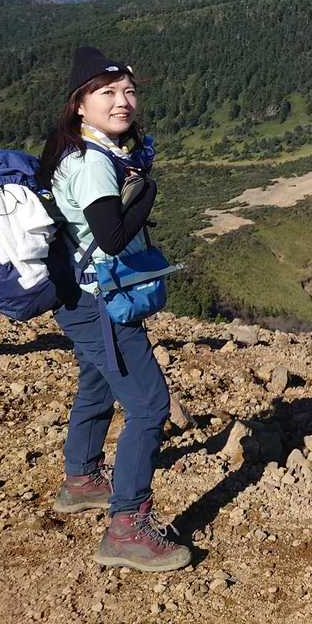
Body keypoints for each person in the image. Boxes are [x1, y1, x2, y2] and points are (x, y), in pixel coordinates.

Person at [36, 46, 192, 572]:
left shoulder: (77, 149)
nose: (122, 100)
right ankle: (127, 527)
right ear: (80, 103)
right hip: (100, 304)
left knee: (97, 382)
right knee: (149, 406)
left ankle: (81, 479)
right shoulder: (93, 163)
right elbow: (112, 236)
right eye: (107, 92)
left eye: (128, 91)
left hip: (78, 298)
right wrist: (146, 190)